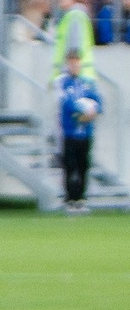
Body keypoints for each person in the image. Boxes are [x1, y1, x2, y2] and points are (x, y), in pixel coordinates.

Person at [57, 52, 102, 214]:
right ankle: (70, 198)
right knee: (70, 165)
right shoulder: (63, 83)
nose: (74, 66)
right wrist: (80, 112)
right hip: (70, 132)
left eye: (77, 63)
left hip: (86, 133)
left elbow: (98, 101)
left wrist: (93, 112)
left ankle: (81, 198)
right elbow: (67, 104)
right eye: (72, 63)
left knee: (83, 165)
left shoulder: (87, 83)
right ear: (68, 64)